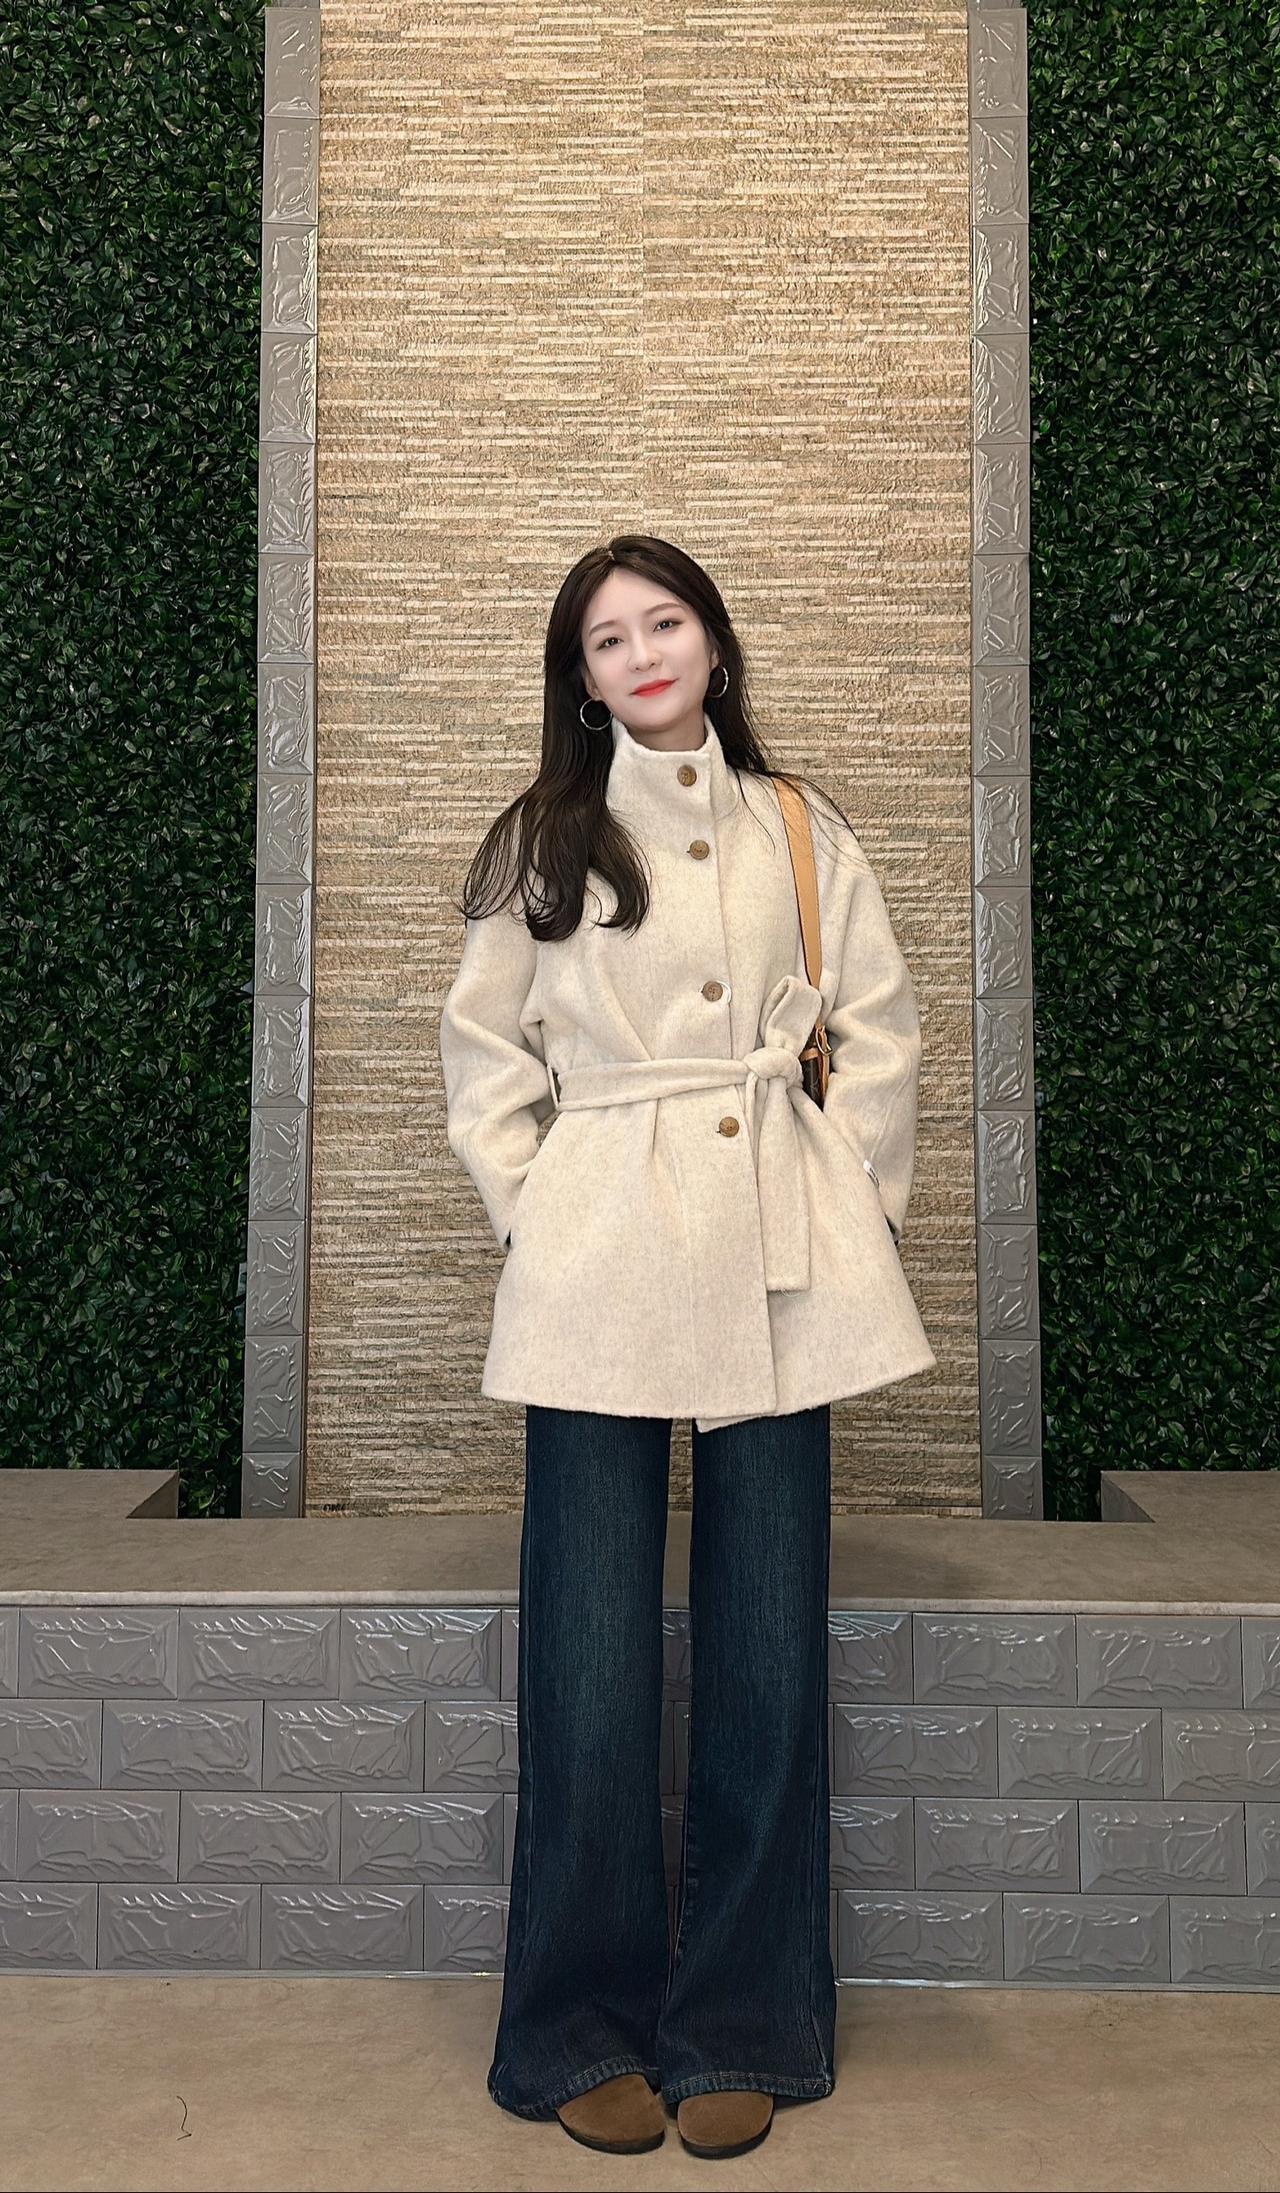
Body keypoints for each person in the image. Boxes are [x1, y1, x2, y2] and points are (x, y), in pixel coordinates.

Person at [438, 533, 936, 2160]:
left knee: (765, 1650)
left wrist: (849, 1199)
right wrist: (543, 1214)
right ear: (580, 679)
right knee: (587, 1660)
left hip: (780, 1253)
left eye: (666, 622)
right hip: (602, 1258)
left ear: (713, 643)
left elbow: (877, 1028)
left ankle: (747, 2022)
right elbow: (484, 1056)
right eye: (608, 637)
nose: (643, 652)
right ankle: (574, 2027)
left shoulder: (802, 826)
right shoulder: (543, 840)